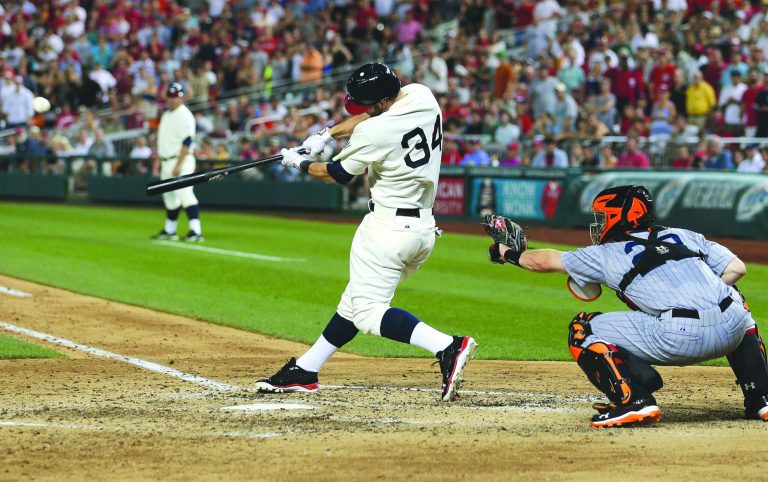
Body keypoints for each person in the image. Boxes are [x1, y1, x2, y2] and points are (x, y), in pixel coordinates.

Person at [257, 63, 477, 401]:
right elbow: (373, 117)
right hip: (422, 229)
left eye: (365, 103)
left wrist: (297, 162)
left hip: (387, 229)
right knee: (354, 301)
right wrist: (327, 135)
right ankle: (306, 369)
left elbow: (336, 174)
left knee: (367, 311)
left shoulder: (375, 133)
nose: (361, 110)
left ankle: (447, 346)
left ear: (381, 102)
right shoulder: (422, 95)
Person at [483, 185, 767, 427]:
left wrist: (507, 253)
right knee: (732, 299)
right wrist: (696, 293)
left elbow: (543, 261)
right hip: (732, 332)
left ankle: (634, 400)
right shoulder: (684, 235)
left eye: (604, 216)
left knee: (583, 328)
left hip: (679, 337)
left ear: (621, 216)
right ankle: (761, 398)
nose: (600, 223)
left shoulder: (605, 253)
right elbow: (736, 268)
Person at [151, 82, 203, 242]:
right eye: (171, 96)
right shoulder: (166, 115)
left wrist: (179, 164)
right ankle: (170, 230)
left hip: (182, 160)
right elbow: (162, 141)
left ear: (182, 97)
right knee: (169, 197)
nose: (173, 100)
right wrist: (157, 161)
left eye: (176, 97)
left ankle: (196, 230)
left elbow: (187, 142)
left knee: (185, 192)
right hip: (167, 160)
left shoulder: (185, 115)